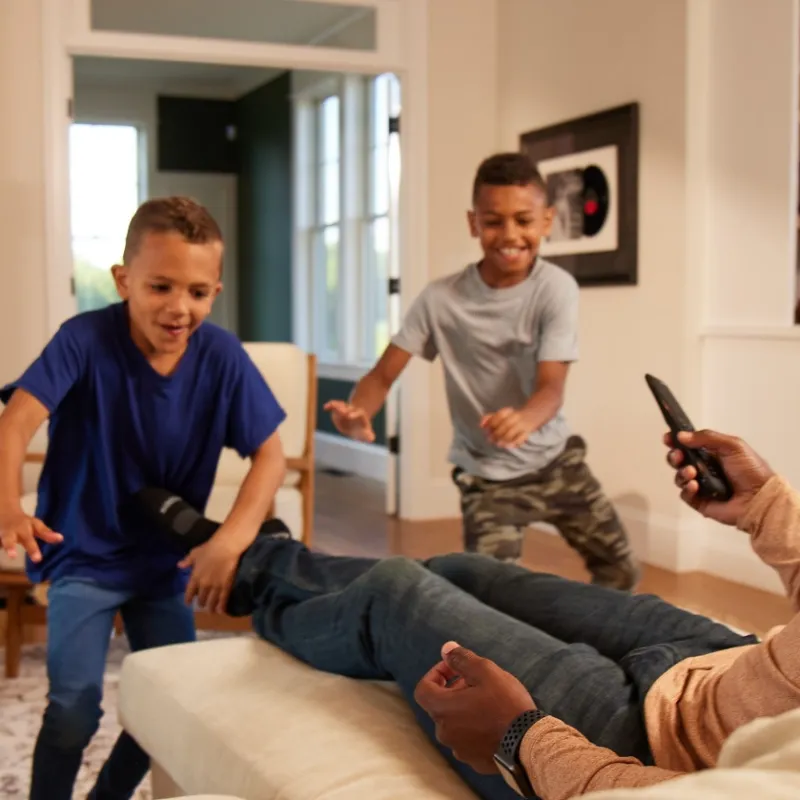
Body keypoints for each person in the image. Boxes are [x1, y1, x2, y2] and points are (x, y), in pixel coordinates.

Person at [141, 425, 798, 800]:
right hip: (728, 662)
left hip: (655, 754)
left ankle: (246, 575)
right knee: (466, 568)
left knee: (397, 591)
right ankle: (267, 555)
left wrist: (520, 737)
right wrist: (764, 504)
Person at [0, 197, 287, 800]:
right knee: (75, 705)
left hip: (164, 565)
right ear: (123, 279)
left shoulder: (222, 357)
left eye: (199, 291)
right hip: (82, 554)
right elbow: (15, 425)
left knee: (171, 708)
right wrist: (7, 507)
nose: (180, 307)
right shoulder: (83, 339)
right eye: (160, 286)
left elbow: (271, 455)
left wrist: (227, 542)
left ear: (216, 290)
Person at [325, 152, 638, 590]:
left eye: (524, 220)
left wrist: (526, 418)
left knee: (621, 568)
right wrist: (358, 412)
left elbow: (552, 387)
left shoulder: (555, 290)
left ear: (546, 221)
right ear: (474, 224)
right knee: (490, 592)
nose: (510, 235)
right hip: (487, 477)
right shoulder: (440, 299)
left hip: (557, 463)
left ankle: (600, 640)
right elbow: (382, 375)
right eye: (494, 221)